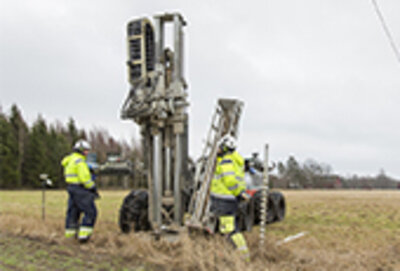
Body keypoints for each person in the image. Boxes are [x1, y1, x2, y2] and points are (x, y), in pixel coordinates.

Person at [210, 134, 250, 262]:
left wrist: (237, 192)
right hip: (228, 200)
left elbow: (230, 181)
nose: (218, 149)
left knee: (230, 230)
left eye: (220, 147)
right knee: (230, 228)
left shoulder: (226, 161)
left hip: (224, 200)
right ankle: (234, 254)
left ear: (226, 148)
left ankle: (242, 257)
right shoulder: (236, 160)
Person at [61, 139, 99, 243]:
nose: (87, 153)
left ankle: (70, 235)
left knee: (73, 212)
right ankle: (83, 236)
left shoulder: (70, 160)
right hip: (81, 189)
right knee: (91, 212)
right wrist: (92, 187)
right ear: (81, 150)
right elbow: (85, 178)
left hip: (71, 188)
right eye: (86, 150)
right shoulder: (80, 161)